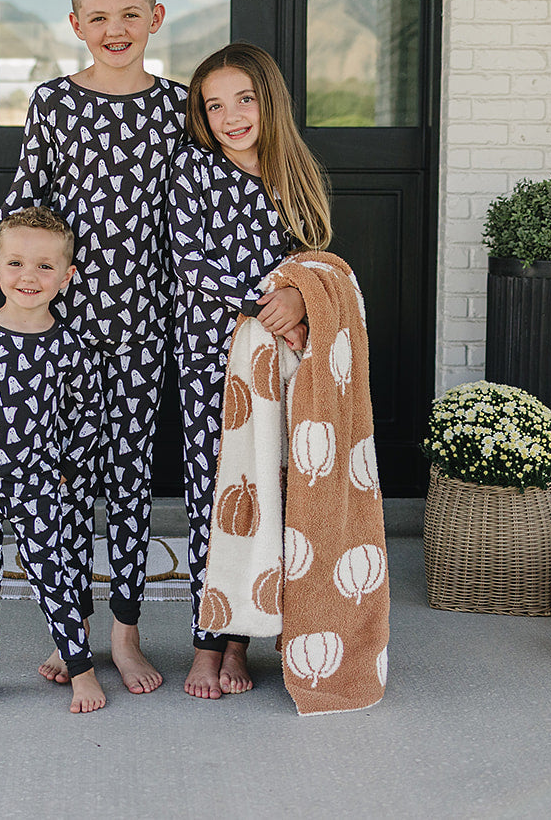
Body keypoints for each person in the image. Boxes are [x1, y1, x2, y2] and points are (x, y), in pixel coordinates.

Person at [0, 0, 185, 694]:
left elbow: (198, 214)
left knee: (130, 483)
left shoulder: (178, 108)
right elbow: (20, 210)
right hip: (59, 332)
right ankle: (70, 635)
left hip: (142, 329)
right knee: (64, 488)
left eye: (131, 14)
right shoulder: (55, 105)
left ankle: (126, 635)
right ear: (76, 25)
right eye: (99, 17)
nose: (116, 29)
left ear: (155, 18)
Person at [168, 42, 333, 700]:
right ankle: (207, 643)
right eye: (214, 106)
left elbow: (315, 260)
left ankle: (243, 639)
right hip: (212, 356)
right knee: (217, 496)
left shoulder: (297, 176)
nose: (231, 116)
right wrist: (270, 307)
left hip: (279, 362)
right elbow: (192, 261)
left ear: (269, 101)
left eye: (243, 99)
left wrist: (300, 304)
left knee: (269, 488)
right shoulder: (194, 169)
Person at [0, 207, 105, 714]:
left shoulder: (71, 346)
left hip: (38, 481)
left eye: (45, 266)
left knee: (55, 574)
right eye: (15, 263)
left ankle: (81, 668)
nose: (28, 276)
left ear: (66, 276)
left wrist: (67, 469)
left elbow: (88, 414)